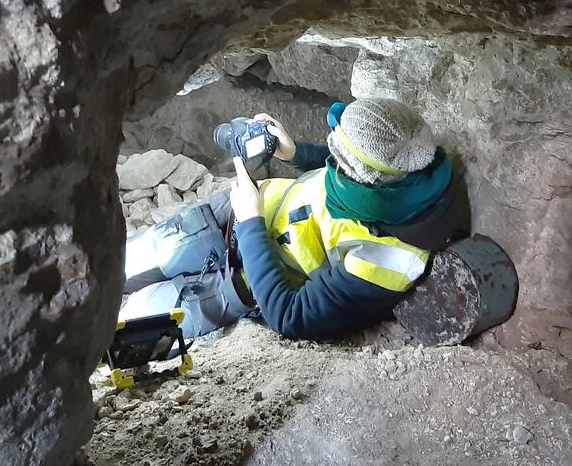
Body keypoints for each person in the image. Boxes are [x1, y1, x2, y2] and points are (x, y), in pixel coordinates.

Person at [119, 98, 469, 348]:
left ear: (365, 183)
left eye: (341, 159)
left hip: (246, 280)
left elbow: (291, 317)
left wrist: (252, 223)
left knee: (132, 317)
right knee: (130, 260)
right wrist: (296, 153)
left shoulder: (388, 259)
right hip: (237, 213)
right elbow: (348, 163)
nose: (335, 161)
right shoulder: (409, 167)